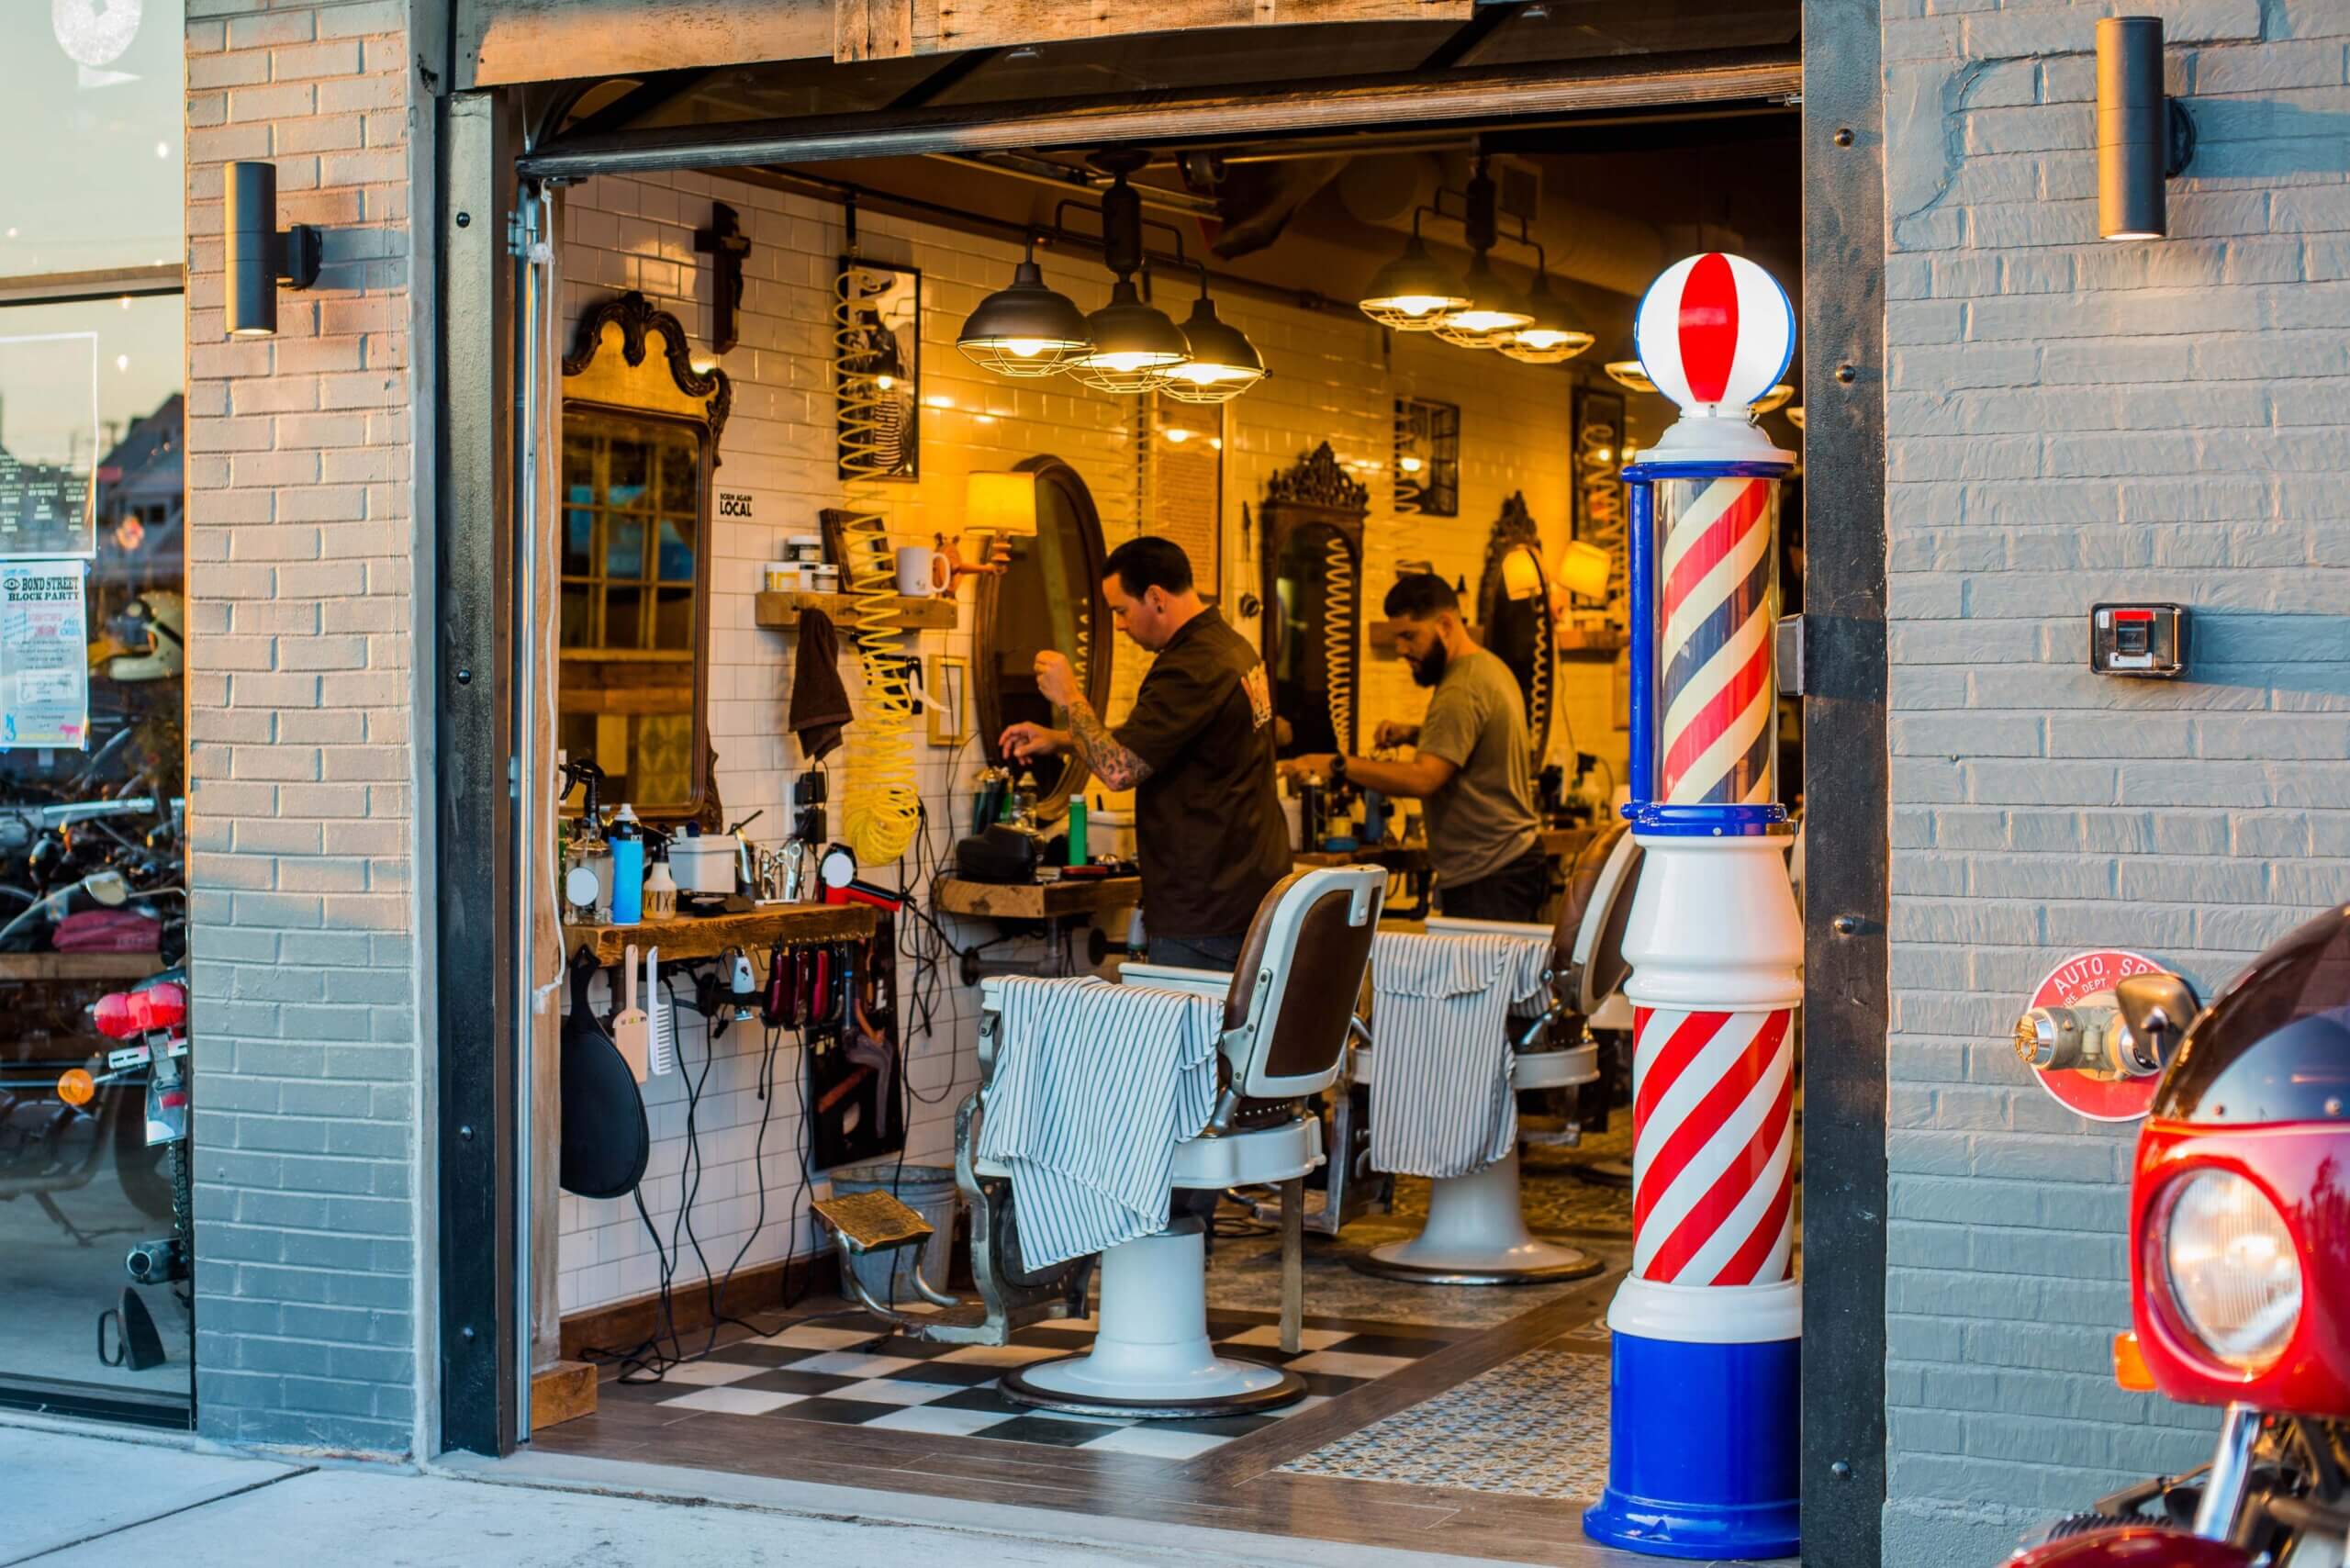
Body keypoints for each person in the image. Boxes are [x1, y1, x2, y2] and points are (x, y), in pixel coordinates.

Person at [999, 535, 1290, 970]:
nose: (1119, 625)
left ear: (1155, 597)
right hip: (1251, 892)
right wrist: (1061, 739)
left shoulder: (1190, 666)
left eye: (1121, 611)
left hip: (1205, 909)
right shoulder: (1231, 648)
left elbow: (1120, 770)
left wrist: (1070, 696)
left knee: (1188, 1020)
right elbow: (1153, 740)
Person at [1284, 572, 1544, 923]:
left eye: (1409, 636)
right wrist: (1412, 734)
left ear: (1445, 625)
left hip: (1490, 875)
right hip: (1508, 864)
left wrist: (1337, 765)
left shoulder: (1460, 688)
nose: (1401, 649)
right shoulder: (1488, 668)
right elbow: (1470, 740)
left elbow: (1424, 778)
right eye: (1398, 638)